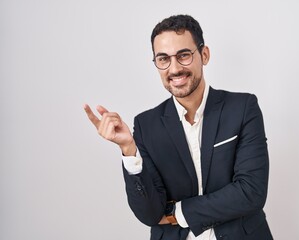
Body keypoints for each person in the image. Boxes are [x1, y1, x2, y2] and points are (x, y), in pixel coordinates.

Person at [84, 14, 273, 240]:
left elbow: (251, 192)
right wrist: (128, 150)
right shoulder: (146, 125)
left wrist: (177, 212)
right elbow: (150, 214)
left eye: (183, 55)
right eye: (163, 59)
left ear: (204, 55)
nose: (174, 69)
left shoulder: (243, 108)